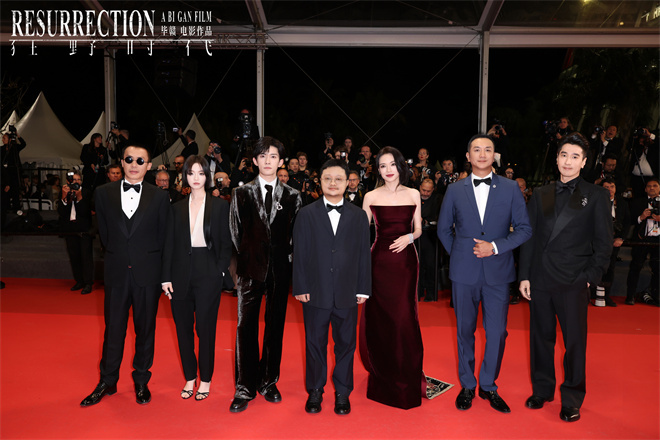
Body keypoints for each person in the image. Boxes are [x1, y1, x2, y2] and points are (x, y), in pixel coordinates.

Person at [519, 132, 612, 423]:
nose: (568, 161)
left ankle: (572, 398)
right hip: (541, 279)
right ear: (557, 159)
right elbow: (531, 238)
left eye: (575, 157)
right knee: (540, 339)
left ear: (584, 162)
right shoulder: (543, 193)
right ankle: (542, 390)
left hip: (573, 280)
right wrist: (525, 275)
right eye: (563, 155)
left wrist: (590, 277)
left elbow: (604, 242)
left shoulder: (596, 195)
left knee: (574, 343)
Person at [437, 134, 531, 414]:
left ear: (494, 155)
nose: (481, 154)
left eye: (487, 149)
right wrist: (460, 255)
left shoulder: (511, 188)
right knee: (464, 330)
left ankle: (488, 385)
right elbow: (443, 229)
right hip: (463, 273)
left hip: (498, 272)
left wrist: (495, 247)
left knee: (497, 332)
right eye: (476, 150)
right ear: (468, 156)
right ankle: (468, 384)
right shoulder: (455, 189)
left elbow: (524, 229)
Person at [80, 144, 170, 407]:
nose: (134, 164)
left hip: (148, 275)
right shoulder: (103, 193)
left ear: (149, 166)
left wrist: (163, 274)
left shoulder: (159, 197)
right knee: (113, 330)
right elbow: (105, 235)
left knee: (146, 330)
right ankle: (107, 380)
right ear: (121, 161)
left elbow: (164, 238)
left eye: (140, 160)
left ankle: (141, 379)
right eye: (129, 159)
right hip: (117, 272)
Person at [228, 136, 302, 413]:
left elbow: (294, 236)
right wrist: (249, 260)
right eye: (263, 156)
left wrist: (284, 262)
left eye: (273, 156)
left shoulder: (293, 196)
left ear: (281, 161)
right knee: (245, 327)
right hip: (250, 270)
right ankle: (244, 387)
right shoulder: (241, 193)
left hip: (280, 271)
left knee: (275, 327)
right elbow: (235, 234)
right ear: (255, 161)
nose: (268, 161)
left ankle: (268, 381)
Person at [293, 159, 371, 415]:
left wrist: (363, 288)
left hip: (348, 292)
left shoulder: (359, 216)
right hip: (315, 291)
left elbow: (363, 254)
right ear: (320, 182)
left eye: (339, 179)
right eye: (328, 179)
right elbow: (300, 253)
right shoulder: (306, 214)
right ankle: (315, 390)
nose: (333, 183)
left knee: (346, 344)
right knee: (314, 343)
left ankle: (342, 392)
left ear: (348, 182)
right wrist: (300, 286)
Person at [359, 146, 428, 410]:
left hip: (405, 263)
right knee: (381, 318)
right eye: (382, 166)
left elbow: (419, 228)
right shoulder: (370, 196)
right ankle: (383, 374)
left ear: (401, 166)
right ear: (377, 170)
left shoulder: (413, 193)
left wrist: (409, 236)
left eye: (392, 165)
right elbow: (360, 232)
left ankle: (406, 374)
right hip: (378, 262)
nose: (388, 170)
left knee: (404, 318)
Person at [162, 155, 231, 401]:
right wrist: (166, 277)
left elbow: (226, 242)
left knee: (205, 328)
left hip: (208, 272)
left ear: (207, 176)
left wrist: (220, 270)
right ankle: (190, 377)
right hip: (179, 272)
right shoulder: (176, 208)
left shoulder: (220, 206)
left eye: (201, 173)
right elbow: (168, 244)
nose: (196, 178)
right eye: (191, 173)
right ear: (185, 176)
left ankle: (206, 379)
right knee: (183, 329)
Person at [595, 178, 630, 307]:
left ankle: (606, 296)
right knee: (594, 266)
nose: (609, 190)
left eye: (612, 187)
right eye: (606, 187)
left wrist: (621, 238)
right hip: (596, 241)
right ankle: (591, 294)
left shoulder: (622, 203)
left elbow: (627, 222)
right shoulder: (595, 201)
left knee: (610, 268)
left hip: (614, 240)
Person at [625, 177, 660, 306]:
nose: (652, 188)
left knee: (658, 269)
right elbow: (629, 220)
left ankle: (656, 296)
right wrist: (641, 217)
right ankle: (630, 296)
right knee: (635, 267)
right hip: (641, 239)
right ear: (645, 189)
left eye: (655, 186)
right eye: (649, 186)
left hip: (658, 240)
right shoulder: (638, 202)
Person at [58, 172, 94, 295]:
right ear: (69, 181)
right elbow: (61, 212)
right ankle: (79, 281)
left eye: (79, 179)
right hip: (70, 229)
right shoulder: (65, 191)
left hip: (84, 230)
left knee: (86, 257)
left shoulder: (87, 192)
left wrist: (79, 198)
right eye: (74, 180)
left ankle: (88, 283)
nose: (76, 182)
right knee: (74, 256)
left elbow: (85, 212)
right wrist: (64, 198)